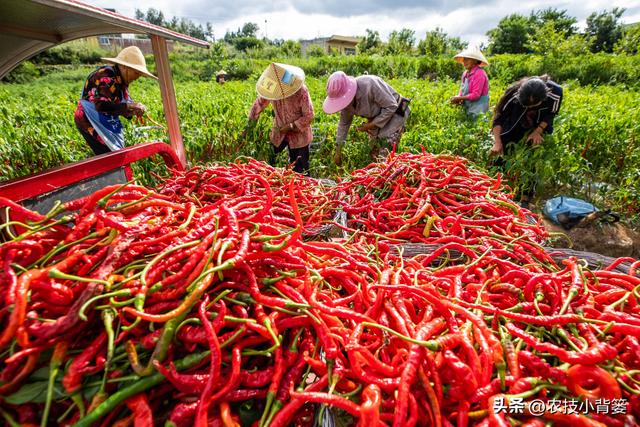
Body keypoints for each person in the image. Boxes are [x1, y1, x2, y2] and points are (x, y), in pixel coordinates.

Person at [491, 75, 563, 207]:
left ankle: (525, 199)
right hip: (514, 124)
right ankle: (494, 189)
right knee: (501, 155)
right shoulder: (512, 93)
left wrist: (538, 131)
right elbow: (498, 117)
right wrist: (497, 142)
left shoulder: (556, 93)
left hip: (537, 126)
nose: (530, 108)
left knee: (533, 160)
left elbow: (551, 114)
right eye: (526, 105)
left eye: (534, 105)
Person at [74, 46, 156, 156]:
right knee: (109, 157)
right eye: (137, 72)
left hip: (102, 120)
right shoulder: (106, 77)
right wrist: (128, 106)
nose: (138, 77)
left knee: (114, 155)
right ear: (125, 67)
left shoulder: (120, 82)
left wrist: (133, 110)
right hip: (89, 120)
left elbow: (118, 106)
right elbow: (101, 105)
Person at [323, 71, 410, 165]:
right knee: (373, 152)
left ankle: (390, 173)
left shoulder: (370, 84)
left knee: (384, 154)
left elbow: (391, 106)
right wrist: (338, 151)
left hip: (395, 112)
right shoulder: (346, 105)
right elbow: (344, 124)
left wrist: (370, 125)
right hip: (376, 116)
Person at [248, 63, 314, 175]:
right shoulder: (272, 89)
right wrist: (250, 125)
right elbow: (259, 104)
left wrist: (291, 126)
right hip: (279, 132)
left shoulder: (300, 90)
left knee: (300, 170)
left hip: (299, 136)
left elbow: (309, 115)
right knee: (269, 165)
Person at [449, 46, 490, 116]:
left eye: (468, 59)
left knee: (477, 123)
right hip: (468, 106)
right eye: (464, 59)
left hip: (479, 107)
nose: (464, 62)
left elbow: (476, 95)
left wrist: (460, 98)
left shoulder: (479, 74)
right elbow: (462, 91)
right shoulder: (465, 73)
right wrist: (458, 98)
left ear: (475, 61)